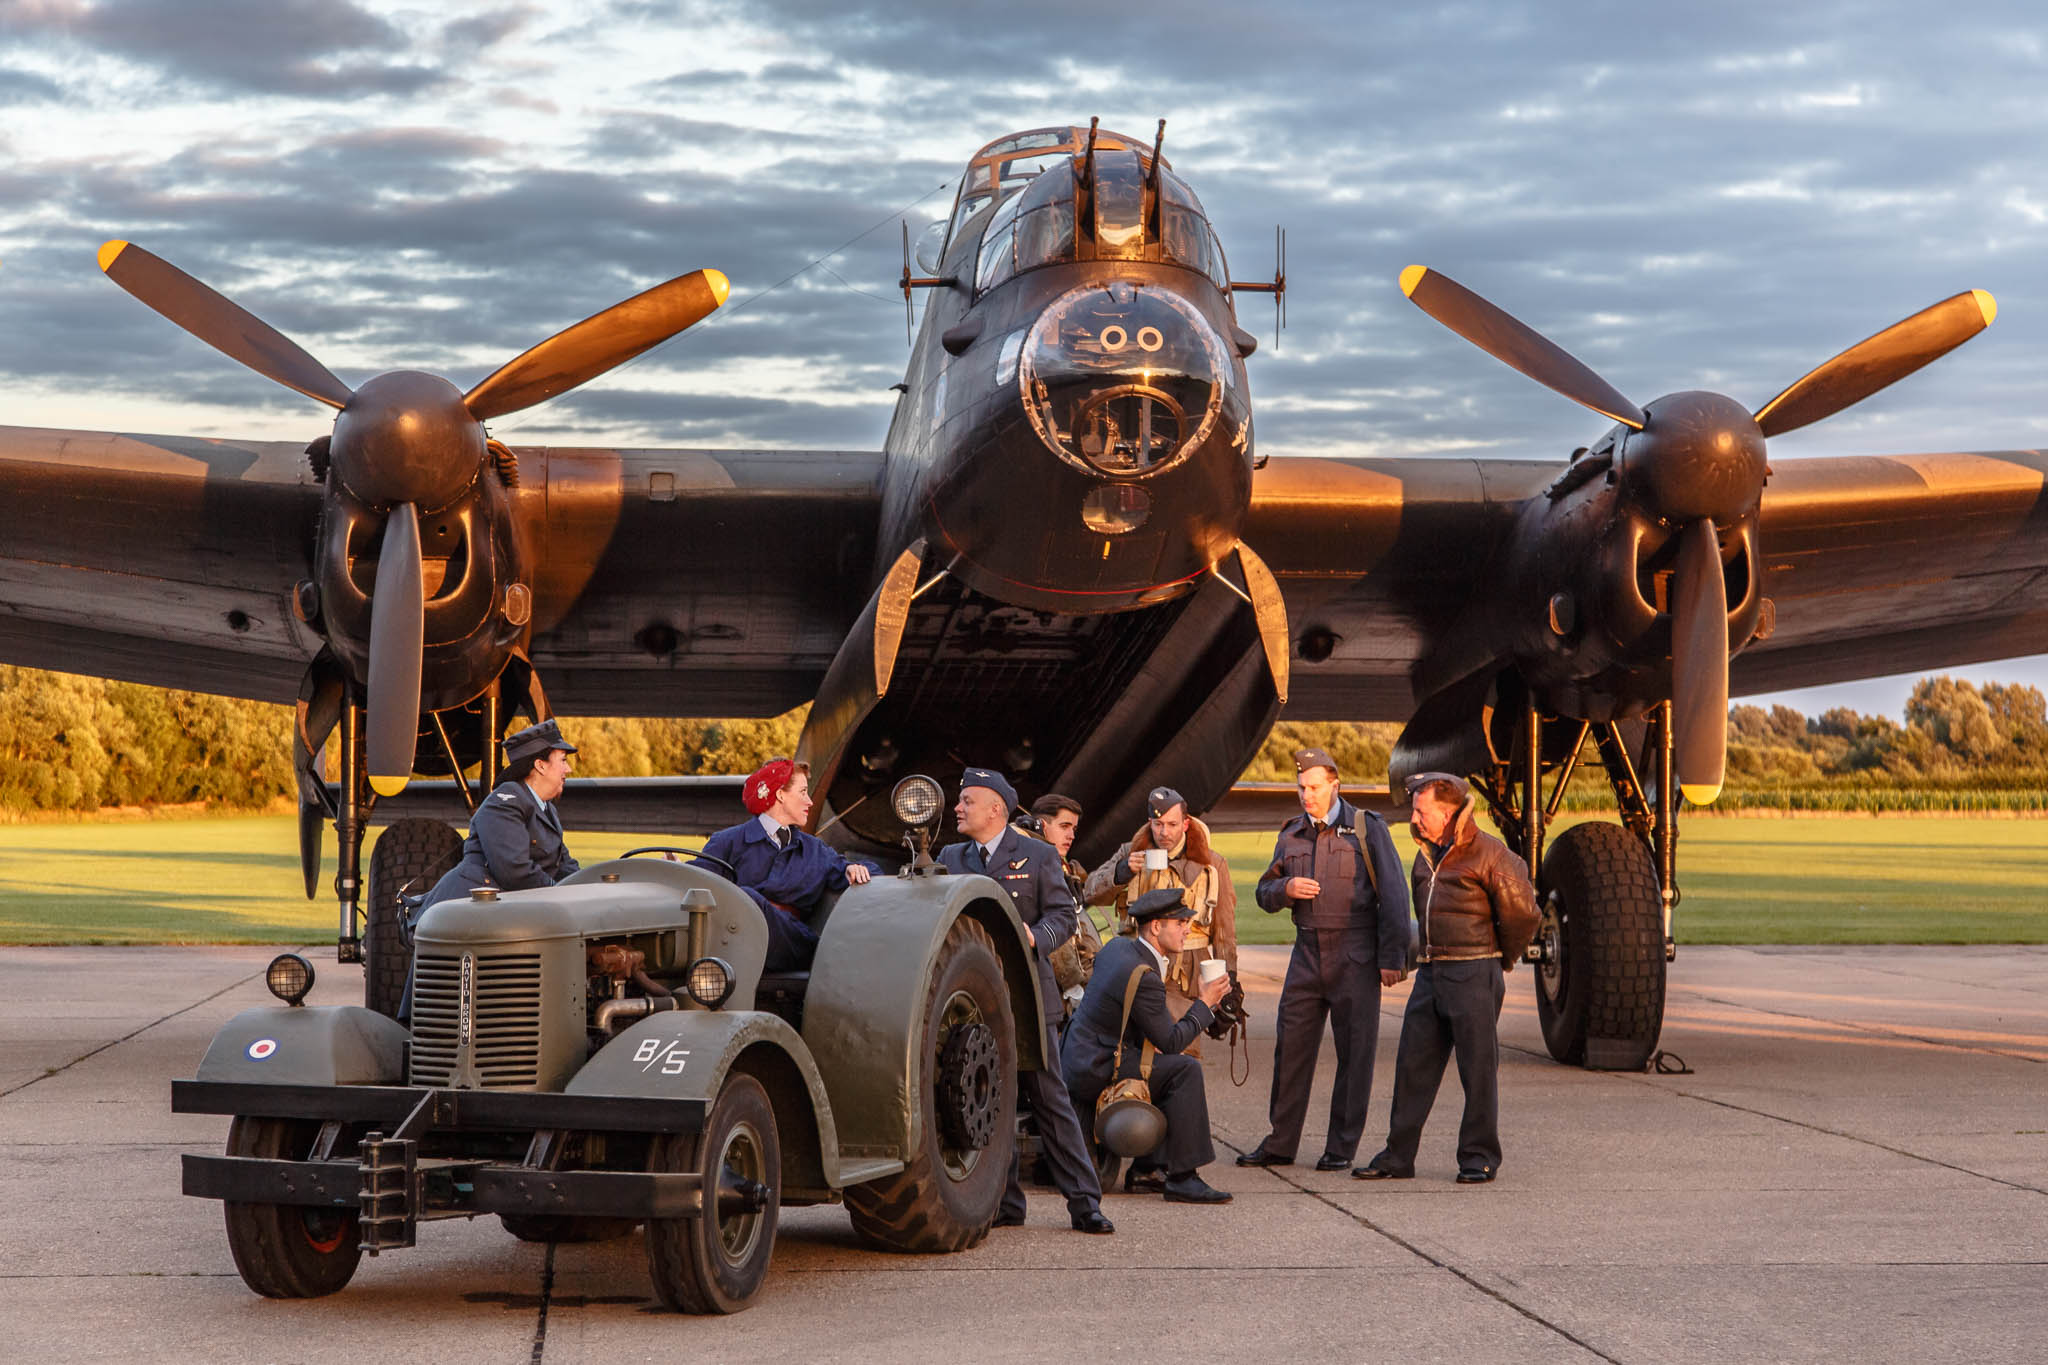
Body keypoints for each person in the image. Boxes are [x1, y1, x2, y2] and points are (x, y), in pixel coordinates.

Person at [938, 768, 1113, 1235]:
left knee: (1049, 1099)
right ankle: (1006, 1202)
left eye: (967, 800)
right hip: (973, 1003)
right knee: (991, 1097)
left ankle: (1084, 1202)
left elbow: (1062, 916)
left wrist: (1033, 938)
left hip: (1029, 998)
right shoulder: (950, 857)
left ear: (996, 808)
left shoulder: (1036, 855)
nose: (958, 807)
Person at [1355, 772, 1539, 1185]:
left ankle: (1479, 1157)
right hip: (1432, 971)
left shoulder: (1492, 855)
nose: (1415, 819)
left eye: (1422, 811)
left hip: (1474, 972)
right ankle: (1398, 1156)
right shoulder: (1426, 855)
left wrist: (1498, 959)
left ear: (1448, 811)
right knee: (1412, 1067)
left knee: (1478, 1069)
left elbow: (1523, 915)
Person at [1238, 748, 1410, 1173]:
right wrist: (1285, 889)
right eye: (1301, 787)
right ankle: (1280, 1142)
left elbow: (1394, 895)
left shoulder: (1366, 829)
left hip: (1356, 953)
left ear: (1335, 785)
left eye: (1314, 787)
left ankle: (1341, 1146)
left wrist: (1392, 958)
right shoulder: (1291, 833)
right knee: (1290, 1050)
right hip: (1306, 953)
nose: (1306, 795)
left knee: (1356, 1054)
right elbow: (1263, 892)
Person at [1062, 887, 1233, 1205]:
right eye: (1180, 922)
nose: (1187, 928)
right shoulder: (1144, 975)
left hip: (1078, 1055)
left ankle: (1148, 1170)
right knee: (1184, 1070)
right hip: (1096, 1065)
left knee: (1165, 1065)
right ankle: (1183, 1177)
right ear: (1156, 927)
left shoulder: (1118, 948)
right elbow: (1170, 1042)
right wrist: (1206, 1002)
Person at [1082, 785, 1239, 1054]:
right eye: (1158, 824)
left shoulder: (1212, 865)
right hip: (1135, 968)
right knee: (1127, 1050)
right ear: (1149, 823)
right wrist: (1121, 872)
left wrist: (1230, 981)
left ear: (1186, 824)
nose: (1164, 832)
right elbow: (1090, 892)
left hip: (1185, 976)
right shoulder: (1129, 854)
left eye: (1172, 824)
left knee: (1182, 1053)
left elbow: (1224, 931)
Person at [696, 758, 875, 973]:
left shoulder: (814, 849)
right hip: (734, 941)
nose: (809, 801)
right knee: (745, 901)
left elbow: (872, 872)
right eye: (802, 792)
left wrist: (854, 868)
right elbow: (699, 884)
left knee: (747, 898)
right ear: (780, 794)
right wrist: (677, 868)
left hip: (793, 944)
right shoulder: (728, 841)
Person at [419, 719, 582, 906]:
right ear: (540, 765)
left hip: (494, 912)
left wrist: (594, 887)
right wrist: (560, 894)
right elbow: (515, 872)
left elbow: (564, 867)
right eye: (563, 760)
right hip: (463, 914)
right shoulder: (505, 802)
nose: (568, 769)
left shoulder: (546, 809)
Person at [1026, 793, 1104, 1021]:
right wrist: (1073, 987)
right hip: (1052, 987)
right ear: (1041, 825)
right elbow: (1052, 927)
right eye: (1064, 826)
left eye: (1074, 829)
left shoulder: (1061, 866)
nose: (1071, 835)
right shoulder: (1034, 865)